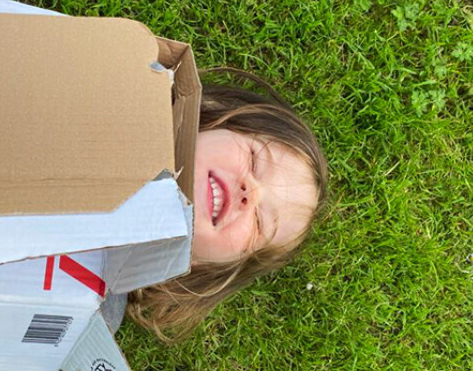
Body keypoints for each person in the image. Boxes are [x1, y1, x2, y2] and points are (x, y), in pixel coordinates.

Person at [101, 67, 329, 343]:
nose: (252, 193)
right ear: (216, 118)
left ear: (203, 266)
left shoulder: (98, 307)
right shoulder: (120, 87)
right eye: (255, 161)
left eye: (259, 223)